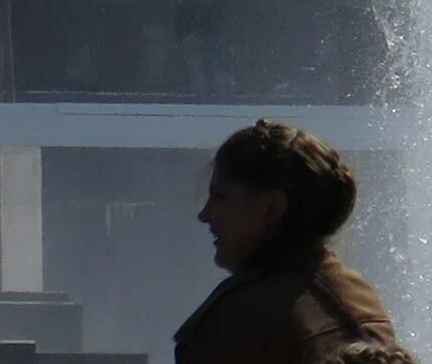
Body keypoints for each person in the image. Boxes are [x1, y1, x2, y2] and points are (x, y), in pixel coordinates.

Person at [174, 119, 417, 364]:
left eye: (219, 196)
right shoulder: (358, 296)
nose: (205, 214)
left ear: (272, 207)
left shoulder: (240, 317)